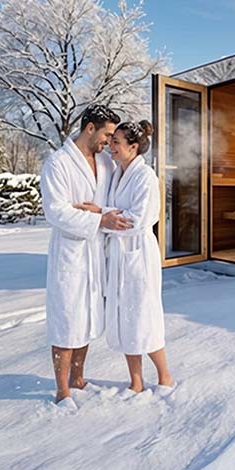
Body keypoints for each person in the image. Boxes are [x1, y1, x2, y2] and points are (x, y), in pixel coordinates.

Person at [40, 104, 130, 410]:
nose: (108, 141)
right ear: (89, 128)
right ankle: (62, 389)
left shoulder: (105, 163)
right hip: (70, 252)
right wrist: (98, 220)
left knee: (88, 316)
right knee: (66, 318)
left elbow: (108, 202)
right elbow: (57, 211)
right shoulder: (58, 163)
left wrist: (98, 213)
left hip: (95, 252)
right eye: (106, 133)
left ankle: (79, 378)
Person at [100, 120, 174, 394]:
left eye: (116, 142)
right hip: (120, 254)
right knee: (125, 316)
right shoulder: (117, 173)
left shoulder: (146, 177)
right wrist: (105, 215)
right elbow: (116, 216)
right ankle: (136, 381)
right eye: (111, 141)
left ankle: (165, 376)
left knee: (144, 315)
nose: (111, 146)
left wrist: (100, 213)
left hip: (138, 254)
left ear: (133, 147)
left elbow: (136, 219)